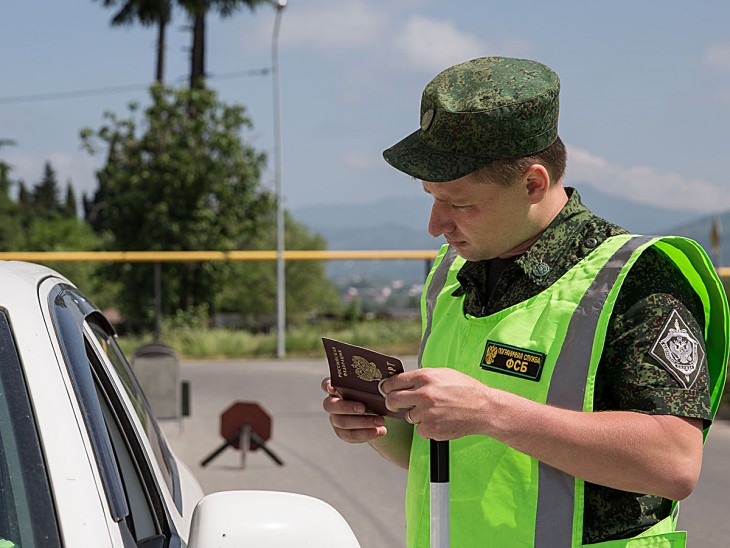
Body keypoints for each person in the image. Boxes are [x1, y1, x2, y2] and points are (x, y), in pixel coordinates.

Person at [321, 56, 729, 547]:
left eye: (460, 203)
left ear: (533, 183)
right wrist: (386, 424)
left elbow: (673, 462)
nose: (436, 224)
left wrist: (491, 410)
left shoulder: (636, 278)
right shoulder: (452, 276)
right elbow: (469, 460)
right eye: (431, 196)